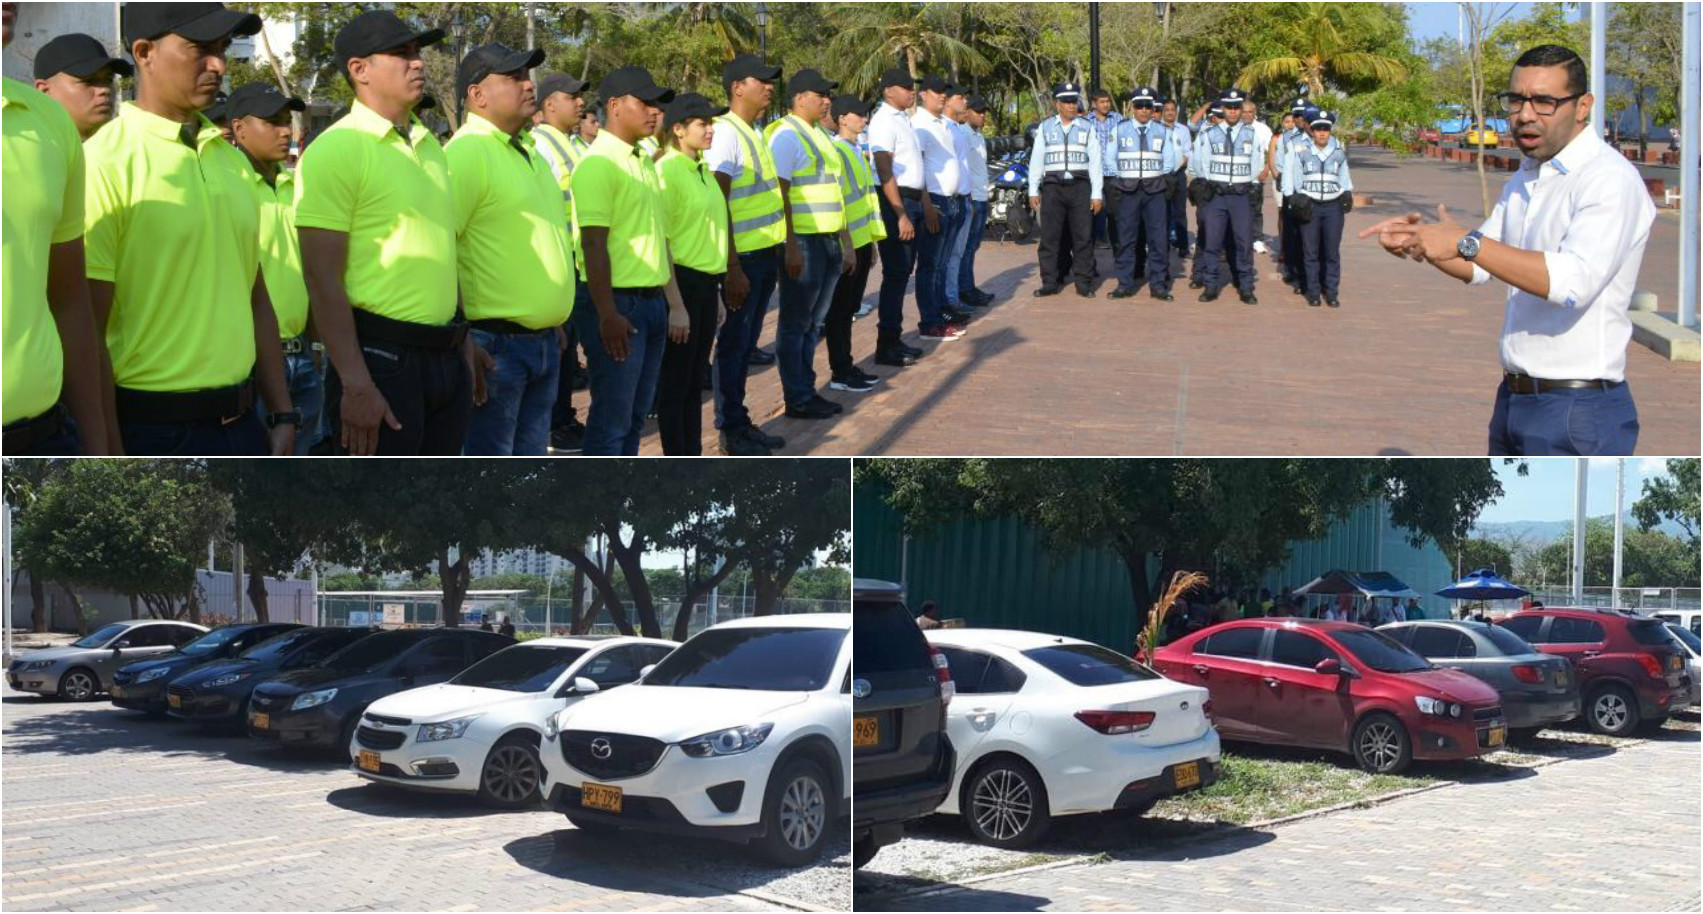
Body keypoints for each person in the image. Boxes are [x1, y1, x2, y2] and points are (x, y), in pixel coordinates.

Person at [1363, 44, 1654, 456]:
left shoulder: (1608, 180)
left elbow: (1573, 283)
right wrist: (1426, 243)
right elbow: (1479, 265)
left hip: (1577, 408)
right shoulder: (1527, 176)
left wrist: (1467, 243)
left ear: (1583, 106)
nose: (1525, 114)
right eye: (1516, 100)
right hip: (1515, 398)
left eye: (1545, 101)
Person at [87, 2, 294, 456]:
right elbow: (86, 329)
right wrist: (107, 449)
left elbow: (255, 293)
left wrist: (282, 413)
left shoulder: (231, 161)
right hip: (152, 429)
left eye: (221, 48)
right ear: (144, 52)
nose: (218, 64)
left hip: (246, 423)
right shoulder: (103, 162)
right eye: (199, 48)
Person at [297, 11, 469, 456]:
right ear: (359, 70)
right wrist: (355, 383)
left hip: (444, 355)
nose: (418, 63)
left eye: (417, 53)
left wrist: (461, 342)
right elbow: (321, 277)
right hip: (382, 358)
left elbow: (444, 250)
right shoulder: (336, 148)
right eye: (402, 53)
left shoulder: (431, 146)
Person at [447, 44, 576, 457]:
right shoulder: (466, 154)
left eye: (527, 76)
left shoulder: (528, 153)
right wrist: (463, 338)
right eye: (513, 78)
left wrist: (549, 317)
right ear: (477, 95)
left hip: (541, 342)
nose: (528, 85)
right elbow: (439, 251)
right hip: (496, 347)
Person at [3, 4, 111, 456]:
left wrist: (100, 449)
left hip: (44, 438)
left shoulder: (47, 123)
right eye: (88, 81)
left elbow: (69, 301)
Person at [570, 66, 678, 456]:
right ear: (614, 105)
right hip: (618, 304)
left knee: (633, 416)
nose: (654, 111)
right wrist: (607, 313)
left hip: (649, 302)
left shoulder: (642, 160)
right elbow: (593, 243)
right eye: (645, 102)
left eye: (656, 104)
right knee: (611, 421)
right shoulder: (600, 163)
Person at [227, 82, 323, 455]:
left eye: (287, 121)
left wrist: (315, 341)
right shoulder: (229, 186)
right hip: (255, 363)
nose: (286, 131)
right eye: (272, 122)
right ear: (239, 128)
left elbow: (309, 269)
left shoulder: (294, 184)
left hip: (303, 357)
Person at [707, 54, 787, 456]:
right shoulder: (725, 133)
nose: (770, 87)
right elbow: (717, 200)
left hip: (763, 255)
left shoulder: (752, 131)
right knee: (734, 346)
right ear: (738, 87)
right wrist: (732, 265)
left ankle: (739, 421)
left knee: (745, 344)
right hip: (743, 260)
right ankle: (730, 428)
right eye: (762, 80)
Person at [767, 68, 852, 420]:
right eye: (820, 95)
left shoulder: (817, 134)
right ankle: (797, 396)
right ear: (800, 98)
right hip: (803, 241)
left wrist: (844, 242)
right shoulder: (787, 136)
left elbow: (835, 192)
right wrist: (788, 245)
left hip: (827, 239)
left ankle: (806, 390)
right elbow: (779, 194)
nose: (827, 100)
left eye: (828, 95)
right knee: (796, 323)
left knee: (813, 324)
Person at [655, 92, 730, 455]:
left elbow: (706, 235)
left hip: (704, 284)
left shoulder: (700, 168)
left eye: (711, 123)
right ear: (679, 129)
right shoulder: (667, 170)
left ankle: (692, 453)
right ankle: (677, 455)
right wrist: (675, 304)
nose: (711, 130)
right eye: (703, 124)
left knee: (694, 382)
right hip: (680, 283)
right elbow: (663, 241)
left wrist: (715, 292)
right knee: (676, 384)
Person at [530, 72, 593, 455]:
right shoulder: (543, 146)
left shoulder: (572, 145)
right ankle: (555, 425)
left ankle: (563, 417)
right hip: (562, 261)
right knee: (561, 349)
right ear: (549, 104)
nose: (580, 103)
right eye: (572, 97)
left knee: (569, 350)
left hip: (578, 261)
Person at [869, 68, 934, 365]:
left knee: (903, 272)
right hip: (897, 201)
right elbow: (884, 170)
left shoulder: (903, 119)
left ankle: (894, 339)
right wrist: (899, 214)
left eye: (912, 86)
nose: (911, 91)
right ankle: (887, 344)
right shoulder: (883, 121)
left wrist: (925, 203)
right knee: (895, 274)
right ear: (887, 91)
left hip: (912, 198)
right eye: (905, 86)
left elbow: (915, 166)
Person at [823, 95, 886, 396]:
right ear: (842, 118)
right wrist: (847, 246)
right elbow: (840, 202)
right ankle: (840, 369)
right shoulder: (837, 151)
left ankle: (846, 365)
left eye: (865, 114)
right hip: (847, 244)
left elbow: (863, 200)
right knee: (839, 311)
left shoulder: (856, 151)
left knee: (848, 309)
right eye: (858, 114)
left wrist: (871, 242)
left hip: (861, 242)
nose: (864, 119)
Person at [1029, 81, 1104, 298]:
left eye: (1074, 101)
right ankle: (1050, 282)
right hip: (1053, 188)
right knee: (1050, 238)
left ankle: (1084, 282)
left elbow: (1095, 163)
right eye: (1067, 102)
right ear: (1057, 104)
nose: (1071, 106)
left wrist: (1096, 194)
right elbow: (1037, 159)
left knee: (1083, 237)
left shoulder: (1086, 127)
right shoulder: (1045, 127)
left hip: (1080, 187)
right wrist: (1033, 189)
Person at [1106, 86, 1179, 301]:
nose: (1144, 110)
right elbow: (1110, 159)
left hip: (1154, 190)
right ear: (1132, 107)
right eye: (1140, 106)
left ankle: (1158, 285)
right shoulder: (1119, 129)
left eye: (1148, 106)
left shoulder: (1163, 131)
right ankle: (1124, 284)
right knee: (1126, 238)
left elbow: (1170, 161)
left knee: (1158, 239)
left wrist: (1156, 176)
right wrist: (1124, 177)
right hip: (1128, 191)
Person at [1189, 89, 1260, 305]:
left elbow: (1255, 163)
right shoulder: (1208, 133)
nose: (1232, 111)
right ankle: (1211, 286)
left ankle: (1246, 287)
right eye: (1228, 107)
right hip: (1216, 195)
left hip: (1240, 195)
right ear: (1223, 109)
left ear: (1240, 109)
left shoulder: (1251, 134)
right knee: (1212, 242)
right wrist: (1209, 184)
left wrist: (1249, 184)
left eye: (1236, 107)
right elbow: (1200, 163)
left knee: (1243, 242)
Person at [1282, 109, 1354, 309]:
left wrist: (1346, 194)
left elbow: (1345, 180)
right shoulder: (1301, 151)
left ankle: (1331, 292)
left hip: (1333, 207)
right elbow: (1291, 174)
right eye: (1318, 129)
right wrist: (1292, 197)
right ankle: (1313, 292)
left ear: (1330, 131)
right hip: (1310, 206)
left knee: (1331, 252)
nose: (1322, 133)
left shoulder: (1338, 152)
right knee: (1310, 252)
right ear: (1311, 131)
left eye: (1326, 129)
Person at [32, 33, 130, 141]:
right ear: (44, 91)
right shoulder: (31, 151)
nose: (104, 90)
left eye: (108, 80)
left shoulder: (131, 147)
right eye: (88, 81)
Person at [939, 84, 979, 319]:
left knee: (957, 253)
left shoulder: (956, 128)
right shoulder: (943, 128)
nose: (965, 101)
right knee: (946, 257)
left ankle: (952, 299)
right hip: (948, 199)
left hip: (964, 197)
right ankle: (948, 302)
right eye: (960, 97)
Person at [954, 95, 994, 308]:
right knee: (966, 247)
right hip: (971, 197)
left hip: (981, 196)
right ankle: (964, 289)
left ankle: (968, 286)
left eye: (983, 112)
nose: (982, 115)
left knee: (973, 246)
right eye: (978, 112)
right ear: (967, 112)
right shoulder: (962, 134)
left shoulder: (978, 136)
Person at [1273, 99, 1313, 294]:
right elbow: (1281, 163)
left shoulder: (1319, 136)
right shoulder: (1287, 137)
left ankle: (1309, 275)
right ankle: (1292, 270)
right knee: (1291, 235)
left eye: (1302, 115)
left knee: (1308, 237)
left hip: (1312, 194)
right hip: (1292, 193)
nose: (1299, 119)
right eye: (1296, 115)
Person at [1087, 88, 1124, 256]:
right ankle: (1089, 261)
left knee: (1115, 217)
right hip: (1093, 177)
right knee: (1090, 217)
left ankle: (1120, 257)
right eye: (1102, 102)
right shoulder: (1086, 122)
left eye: (1107, 101)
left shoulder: (1118, 120)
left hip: (1113, 176)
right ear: (1094, 104)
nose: (1106, 104)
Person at [1239, 100, 1274, 253]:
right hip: (1237, 178)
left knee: (1256, 210)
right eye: (1244, 111)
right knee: (1237, 210)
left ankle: (1257, 239)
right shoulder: (1234, 127)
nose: (1247, 115)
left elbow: (1272, 151)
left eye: (1250, 112)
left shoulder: (1262, 129)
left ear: (1255, 113)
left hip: (1255, 178)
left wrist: (1266, 170)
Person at [1160, 98, 1193, 257]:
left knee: (1180, 212)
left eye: (1172, 109)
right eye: (1167, 109)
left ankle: (1183, 247)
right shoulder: (1156, 128)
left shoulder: (1183, 130)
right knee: (1162, 213)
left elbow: (1187, 152)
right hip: (1162, 176)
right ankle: (1163, 246)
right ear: (1162, 112)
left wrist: (1179, 166)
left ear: (1176, 111)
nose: (1170, 112)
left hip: (1178, 174)